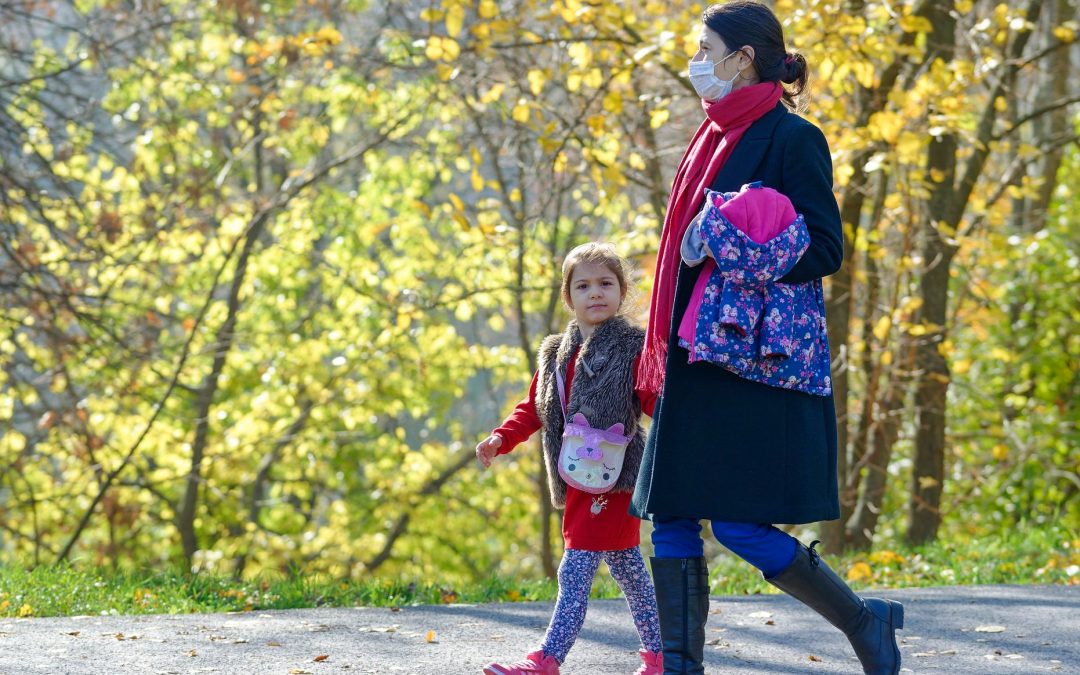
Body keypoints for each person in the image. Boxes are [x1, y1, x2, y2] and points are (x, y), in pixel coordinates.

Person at [630, 3, 904, 674]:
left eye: (706, 46)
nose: (697, 58)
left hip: (751, 360)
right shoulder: (708, 136)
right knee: (671, 513)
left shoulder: (793, 137)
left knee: (738, 524)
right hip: (692, 350)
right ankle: (681, 665)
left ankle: (864, 621)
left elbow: (824, 246)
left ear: (743, 57)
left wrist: (720, 239)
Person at [477, 243, 664, 675]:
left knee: (575, 570)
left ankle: (546, 659)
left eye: (605, 283)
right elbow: (533, 408)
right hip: (576, 477)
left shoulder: (633, 349)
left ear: (621, 291)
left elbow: (655, 399)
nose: (595, 293)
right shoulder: (556, 353)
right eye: (583, 285)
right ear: (568, 297)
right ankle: (660, 654)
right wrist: (499, 439)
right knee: (630, 571)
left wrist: (688, 427)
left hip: (614, 479)